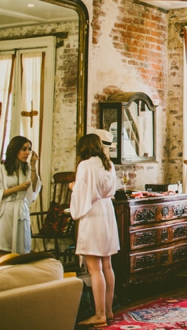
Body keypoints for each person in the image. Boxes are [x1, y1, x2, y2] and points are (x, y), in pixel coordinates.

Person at [69, 132, 120, 327]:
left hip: (93, 214)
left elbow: (84, 193)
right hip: (107, 212)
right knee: (107, 265)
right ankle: (108, 309)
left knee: (94, 267)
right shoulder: (108, 164)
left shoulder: (86, 165)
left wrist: (73, 188)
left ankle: (99, 314)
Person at [0, 135, 41, 261]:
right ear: (15, 149)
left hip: (21, 211)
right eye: (24, 149)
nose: (28, 152)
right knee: (3, 250)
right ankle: (0, 278)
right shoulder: (0, 167)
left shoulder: (26, 168)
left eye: (29, 149)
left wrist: (33, 165)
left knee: (21, 252)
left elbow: (33, 188)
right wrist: (18, 188)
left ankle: (17, 279)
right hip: (5, 212)